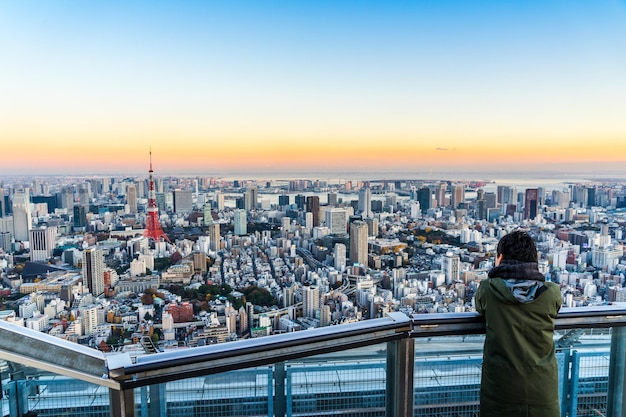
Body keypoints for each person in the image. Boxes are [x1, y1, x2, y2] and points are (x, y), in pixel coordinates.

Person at [475, 230, 562, 417]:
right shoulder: (552, 293)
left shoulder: (489, 290)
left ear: (501, 258)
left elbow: (480, 307)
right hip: (542, 390)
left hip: (500, 390)